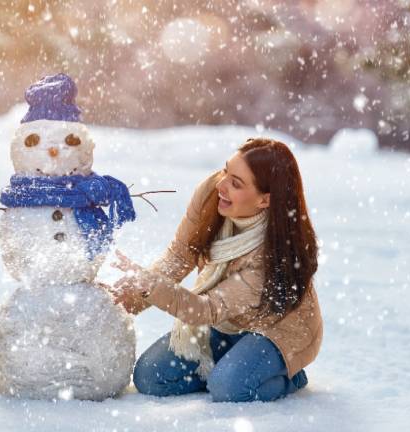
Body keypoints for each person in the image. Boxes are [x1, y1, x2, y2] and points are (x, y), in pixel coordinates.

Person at [111, 138, 322, 402]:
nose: (221, 185)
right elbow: (180, 255)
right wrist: (123, 302)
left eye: (236, 183)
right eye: (226, 171)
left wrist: (149, 284)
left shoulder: (270, 257)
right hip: (226, 322)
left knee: (229, 389)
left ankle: (288, 377)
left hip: (276, 331)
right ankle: (230, 365)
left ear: (264, 200)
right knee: (150, 377)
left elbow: (205, 309)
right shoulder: (213, 194)